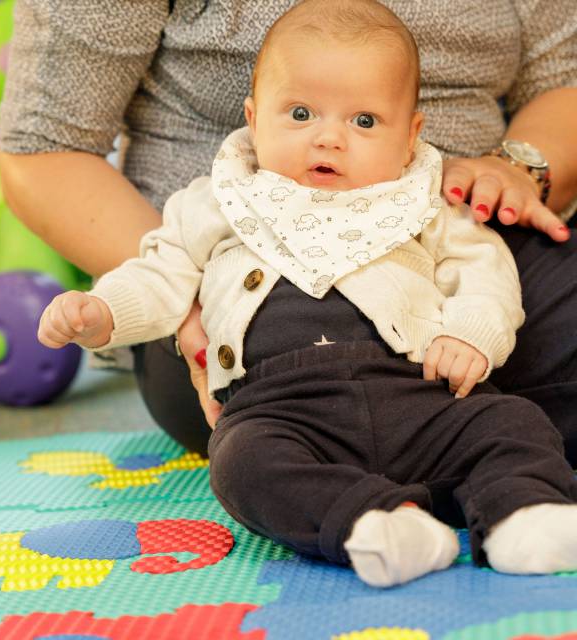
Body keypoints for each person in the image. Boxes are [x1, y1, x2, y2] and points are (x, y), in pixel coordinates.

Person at [37, 0, 577, 588]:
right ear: (252, 116)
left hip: (425, 394)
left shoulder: (424, 199)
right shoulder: (217, 201)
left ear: (411, 134)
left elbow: (485, 270)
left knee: (507, 423)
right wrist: (104, 310)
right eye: (299, 113)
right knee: (243, 464)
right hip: (280, 407)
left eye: (364, 122)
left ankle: (523, 514)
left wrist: (470, 333)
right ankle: (377, 525)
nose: (329, 138)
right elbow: (158, 272)